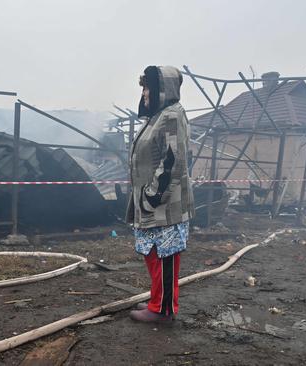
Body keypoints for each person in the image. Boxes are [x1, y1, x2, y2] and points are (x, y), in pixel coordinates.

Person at [126, 65, 194, 323]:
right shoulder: (158, 116)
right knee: (154, 253)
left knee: (165, 255)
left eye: (148, 88)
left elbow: (172, 161)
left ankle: (163, 310)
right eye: (143, 88)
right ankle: (158, 299)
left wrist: (151, 195)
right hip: (152, 200)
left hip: (164, 203)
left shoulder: (172, 116)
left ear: (162, 90)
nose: (144, 93)